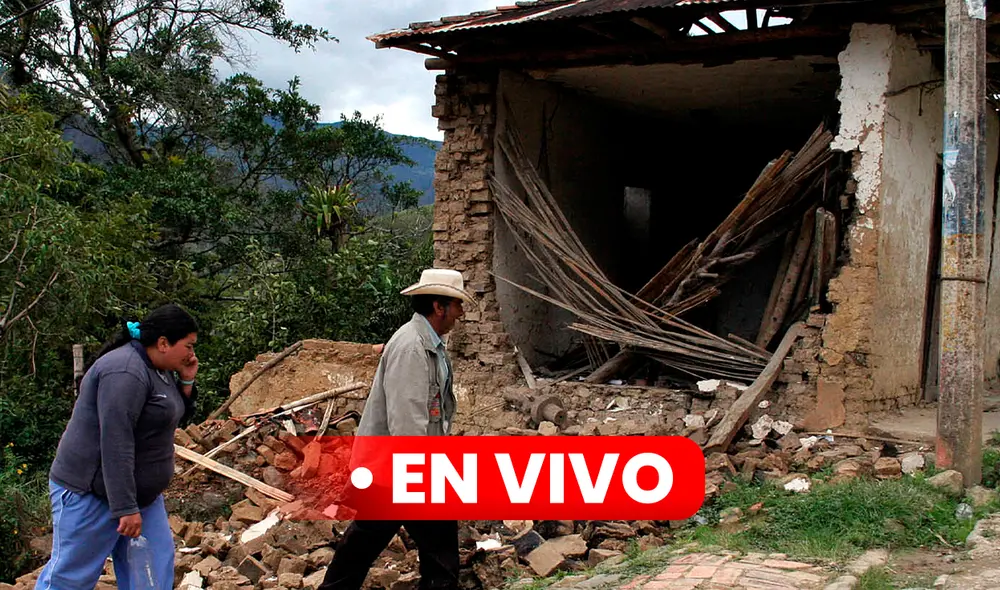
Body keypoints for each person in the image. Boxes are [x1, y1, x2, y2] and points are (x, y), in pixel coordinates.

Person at [319, 268, 475, 590]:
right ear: (439, 306)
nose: (460, 313)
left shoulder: (429, 344)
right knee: (427, 543)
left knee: (369, 542)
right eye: (457, 305)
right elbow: (406, 422)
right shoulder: (411, 348)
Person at [35, 303, 200, 590]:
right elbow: (115, 443)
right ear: (163, 343)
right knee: (72, 578)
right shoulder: (125, 372)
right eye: (188, 345)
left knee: (152, 572)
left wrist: (187, 380)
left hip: (140, 496)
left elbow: (169, 416)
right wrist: (125, 508)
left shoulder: (159, 368)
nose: (191, 353)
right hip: (92, 494)